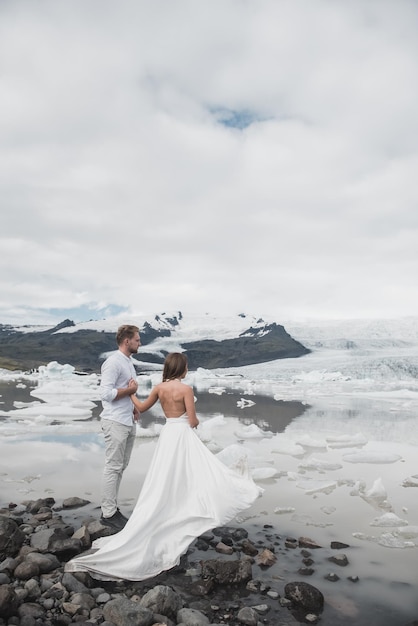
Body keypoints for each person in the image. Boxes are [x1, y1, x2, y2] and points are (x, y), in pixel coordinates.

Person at [65, 352, 262, 582]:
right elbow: (192, 420)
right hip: (182, 434)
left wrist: (131, 393)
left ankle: (162, 511)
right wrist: (195, 422)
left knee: (164, 476)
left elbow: (141, 405)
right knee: (189, 473)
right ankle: (184, 507)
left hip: (168, 434)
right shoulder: (186, 390)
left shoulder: (159, 388)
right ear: (183, 369)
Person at [98, 324, 140, 531]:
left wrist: (134, 408)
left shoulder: (128, 362)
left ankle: (112, 508)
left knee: (120, 466)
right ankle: (107, 513)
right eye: (137, 340)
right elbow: (105, 394)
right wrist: (130, 390)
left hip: (127, 420)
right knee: (113, 466)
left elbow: (126, 390)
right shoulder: (113, 362)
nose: (139, 343)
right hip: (114, 421)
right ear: (127, 341)